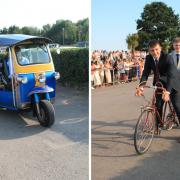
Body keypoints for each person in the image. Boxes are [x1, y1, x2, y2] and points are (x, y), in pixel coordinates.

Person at [136, 40, 169, 130]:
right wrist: (141, 87)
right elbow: (145, 73)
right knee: (158, 104)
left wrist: (168, 92)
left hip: (170, 83)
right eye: (152, 50)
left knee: (177, 104)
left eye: (156, 49)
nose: (155, 52)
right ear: (149, 51)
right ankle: (158, 125)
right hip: (158, 84)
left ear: (160, 48)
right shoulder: (149, 58)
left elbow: (172, 75)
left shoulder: (167, 57)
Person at [163, 37, 180, 124]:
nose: (178, 46)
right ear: (173, 45)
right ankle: (173, 115)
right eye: (176, 45)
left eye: (179, 45)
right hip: (173, 82)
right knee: (175, 103)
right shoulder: (169, 56)